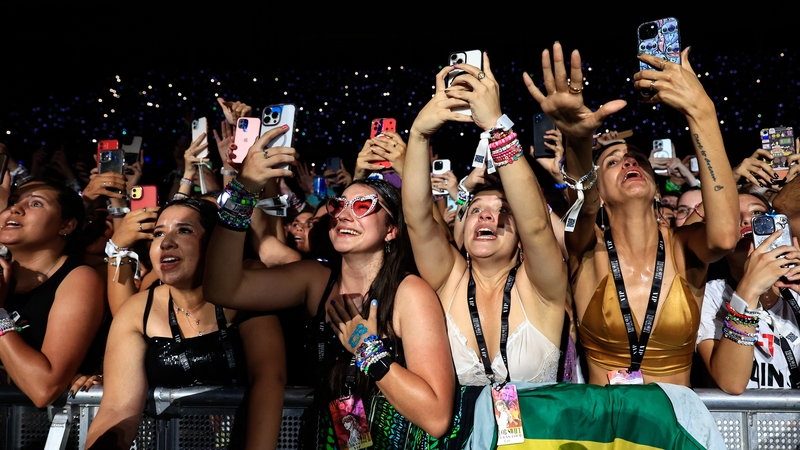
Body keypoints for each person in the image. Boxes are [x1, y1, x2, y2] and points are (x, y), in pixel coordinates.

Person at [203, 127, 454, 448]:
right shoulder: (316, 280)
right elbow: (221, 289)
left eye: (363, 206)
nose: (345, 215)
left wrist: (367, 348)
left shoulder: (410, 293)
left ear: (391, 229)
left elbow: (436, 417)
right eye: (338, 205)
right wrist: (244, 189)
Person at [526, 43, 739, 386]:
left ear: (655, 188)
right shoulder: (587, 248)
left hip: (674, 418)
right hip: (606, 420)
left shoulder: (683, 246)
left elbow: (726, 236)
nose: (628, 161)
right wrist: (579, 142)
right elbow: (583, 204)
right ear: (600, 192)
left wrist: (702, 112)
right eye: (612, 161)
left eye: (637, 159)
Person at [402, 53, 568, 442]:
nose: (487, 216)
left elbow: (537, 226)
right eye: (476, 209)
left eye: (502, 210)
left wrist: (496, 126)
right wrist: (419, 135)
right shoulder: (447, 280)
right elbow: (418, 220)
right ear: (463, 229)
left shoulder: (542, 287)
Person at [86, 199, 286, 449]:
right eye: (158, 234)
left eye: (184, 230)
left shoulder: (250, 287)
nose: (166, 243)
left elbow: (269, 379)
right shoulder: (136, 311)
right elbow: (118, 408)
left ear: (216, 242)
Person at [0, 179, 105, 407]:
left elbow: (43, 389)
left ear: (66, 226)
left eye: (36, 203)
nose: (15, 209)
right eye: (13, 201)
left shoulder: (79, 279)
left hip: (36, 425)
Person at [697, 191, 800, 393]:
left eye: (757, 214)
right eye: (733, 216)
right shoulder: (709, 295)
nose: (746, 220)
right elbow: (732, 382)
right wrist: (749, 290)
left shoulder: (796, 288)